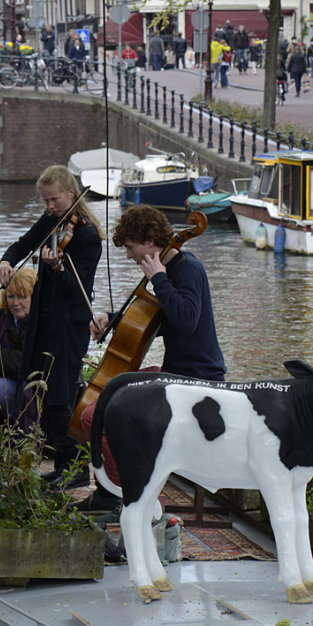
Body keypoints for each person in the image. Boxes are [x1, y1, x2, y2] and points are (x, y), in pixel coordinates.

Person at [75, 204, 226, 513]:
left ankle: (122, 493)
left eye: (131, 247)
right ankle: (113, 491)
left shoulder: (188, 270)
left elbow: (186, 320)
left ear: (149, 240)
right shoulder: (169, 272)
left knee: (95, 416)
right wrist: (111, 318)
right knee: (107, 399)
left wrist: (159, 278)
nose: (129, 255)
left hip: (197, 380)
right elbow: (159, 320)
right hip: (175, 373)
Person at [0, 165, 104, 489]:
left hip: (68, 327)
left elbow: (80, 290)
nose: (50, 207)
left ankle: (74, 470)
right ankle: (61, 465)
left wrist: (57, 269)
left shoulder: (87, 237)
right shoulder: (51, 223)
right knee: (39, 389)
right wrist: (6, 260)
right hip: (43, 321)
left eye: (54, 200)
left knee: (60, 397)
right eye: (45, 201)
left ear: (71, 193)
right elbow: (23, 244)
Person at [0, 268, 38, 435]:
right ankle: (12, 433)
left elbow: (32, 366)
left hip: (35, 391)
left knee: (22, 387)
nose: (15, 303)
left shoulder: (40, 322)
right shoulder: (3, 321)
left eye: (22, 296)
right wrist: (13, 362)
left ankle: (29, 434)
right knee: (0, 386)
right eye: (11, 296)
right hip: (11, 388)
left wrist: (4, 356)